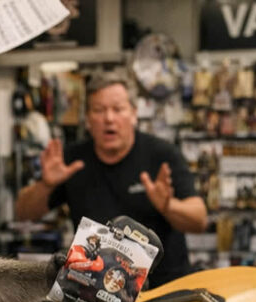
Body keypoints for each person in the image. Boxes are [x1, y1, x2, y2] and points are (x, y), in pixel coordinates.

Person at [15, 72, 208, 287]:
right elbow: (24, 213)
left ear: (134, 113)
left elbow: (199, 220)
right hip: (97, 290)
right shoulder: (72, 160)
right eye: (99, 110)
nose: (109, 118)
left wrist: (168, 206)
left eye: (118, 109)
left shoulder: (162, 154)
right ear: (88, 118)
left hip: (164, 288)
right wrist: (46, 184)